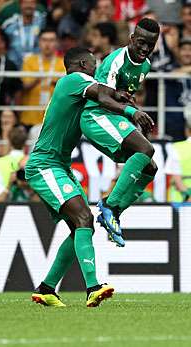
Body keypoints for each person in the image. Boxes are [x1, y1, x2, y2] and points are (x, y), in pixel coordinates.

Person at [25, 47, 152, 307]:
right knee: (83, 218)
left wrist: (122, 98)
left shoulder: (76, 87)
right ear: (83, 63)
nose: (98, 67)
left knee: (81, 225)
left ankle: (47, 288)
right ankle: (93, 287)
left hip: (59, 165)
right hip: (44, 165)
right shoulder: (74, 80)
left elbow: (106, 97)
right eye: (94, 63)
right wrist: (129, 110)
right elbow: (103, 95)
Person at [79, 18, 160, 245]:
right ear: (132, 39)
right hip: (95, 116)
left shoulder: (145, 66)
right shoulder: (115, 60)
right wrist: (132, 113)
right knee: (146, 149)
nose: (145, 49)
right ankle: (109, 205)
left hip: (113, 117)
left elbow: (121, 95)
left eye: (150, 45)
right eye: (141, 43)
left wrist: (133, 110)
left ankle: (114, 213)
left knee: (150, 167)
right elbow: (104, 98)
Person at [20, 28, 65, 127]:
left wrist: (46, 79)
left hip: (55, 118)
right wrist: (39, 79)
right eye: (44, 40)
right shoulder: (29, 61)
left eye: (51, 40)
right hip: (30, 117)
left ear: (57, 43)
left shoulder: (63, 63)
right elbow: (25, 85)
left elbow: (65, 89)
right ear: (39, 42)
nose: (47, 44)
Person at [164, 114, 191, 202]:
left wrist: (188, 195)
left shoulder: (176, 148)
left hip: (181, 200)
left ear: (187, 131)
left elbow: (175, 177)